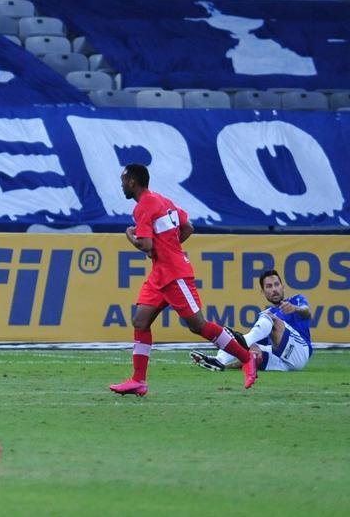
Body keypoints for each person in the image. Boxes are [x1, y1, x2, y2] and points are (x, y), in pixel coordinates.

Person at [109, 163, 257, 396]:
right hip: (160, 274)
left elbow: (145, 244)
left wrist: (130, 236)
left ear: (132, 182)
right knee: (140, 321)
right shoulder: (162, 200)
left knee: (198, 325)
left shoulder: (143, 206)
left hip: (174, 274)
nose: (121, 185)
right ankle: (139, 381)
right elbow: (188, 227)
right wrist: (169, 247)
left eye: (123, 181)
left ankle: (247, 358)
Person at [191, 269, 313, 373]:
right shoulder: (265, 321)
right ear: (263, 292)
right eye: (269, 286)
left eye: (277, 284)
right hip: (283, 362)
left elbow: (306, 311)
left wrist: (295, 309)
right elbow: (256, 348)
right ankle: (219, 361)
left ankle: (244, 340)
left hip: (300, 352)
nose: (274, 289)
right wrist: (252, 350)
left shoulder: (295, 301)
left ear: (283, 287)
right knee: (249, 351)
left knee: (265, 319)